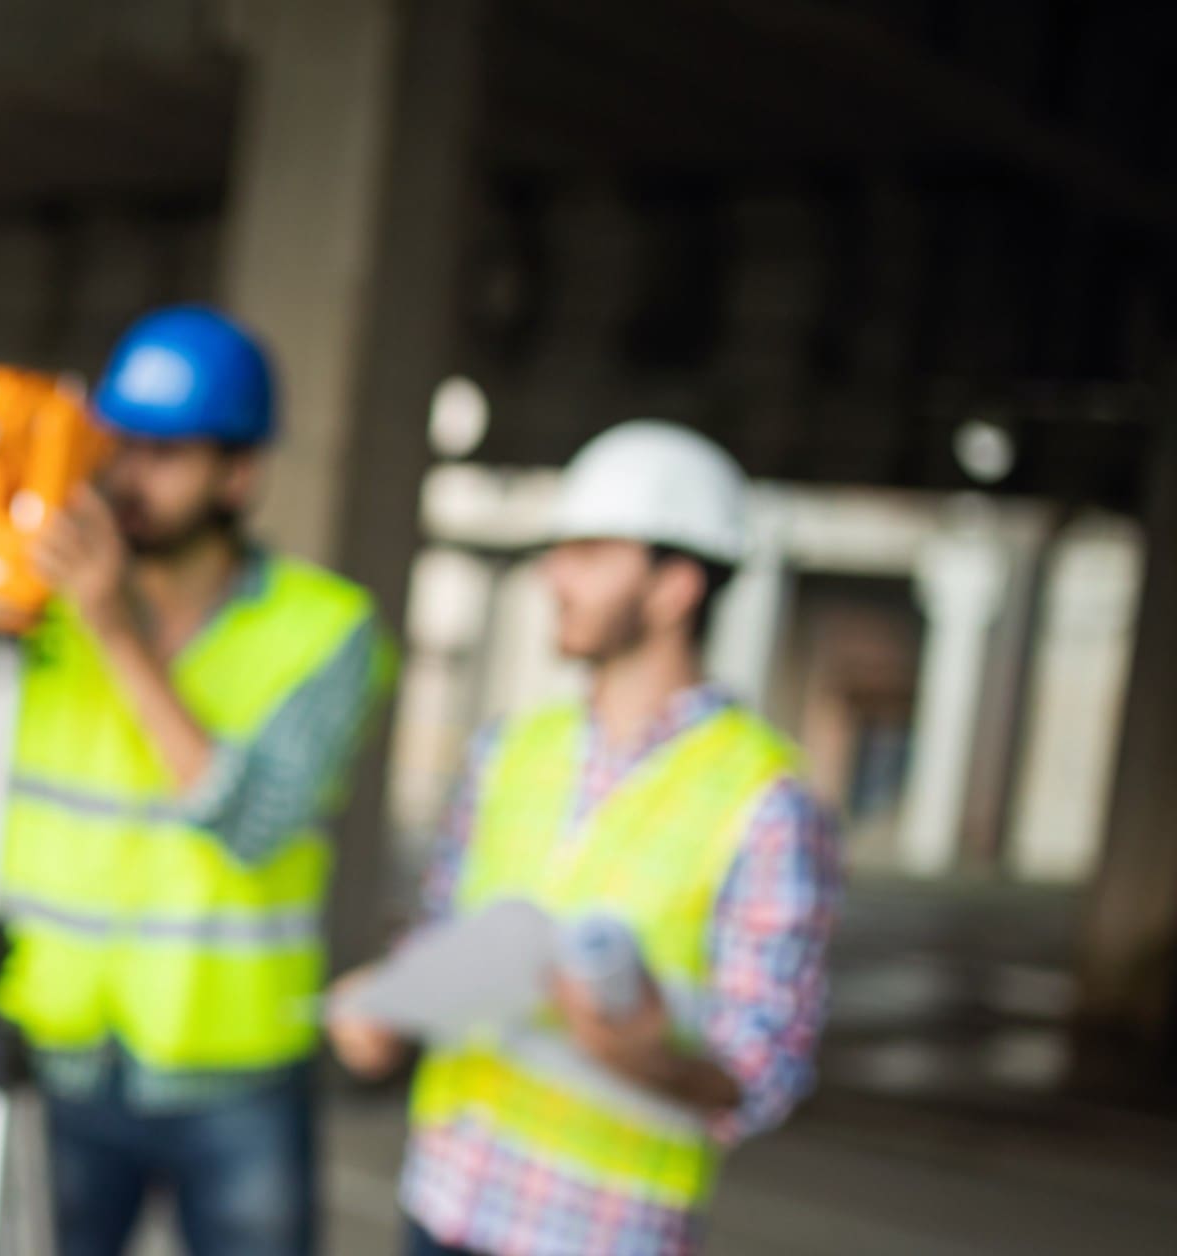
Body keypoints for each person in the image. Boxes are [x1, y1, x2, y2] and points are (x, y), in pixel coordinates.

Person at [0, 305, 396, 1256]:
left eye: (166, 454)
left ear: (240, 472)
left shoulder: (328, 628)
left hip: (238, 1067)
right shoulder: (39, 601)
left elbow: (255, 820)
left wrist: (112, 627)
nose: (128, 477)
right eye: (118, 445)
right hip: (58, 1054)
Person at [327, 420, 843, 1256]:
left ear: (676, 586)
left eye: (592, 552)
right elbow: (448, 932)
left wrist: (651, 1059)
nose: (555, 575)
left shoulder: (769, 801)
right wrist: (391, 1006)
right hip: (444, 1198)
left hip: (600, 1231)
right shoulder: (510, 749)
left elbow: (769, 1069)